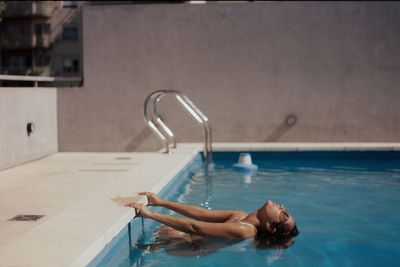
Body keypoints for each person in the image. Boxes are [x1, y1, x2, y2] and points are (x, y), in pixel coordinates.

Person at [125, 192, 299, 243]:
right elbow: (202, 214)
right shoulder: (241, 216)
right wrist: (161, 203)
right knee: (167, 232)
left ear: (270, 226)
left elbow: (196, 227)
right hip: (183, 239)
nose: (282, 207)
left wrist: (151, 215)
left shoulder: (244, 230)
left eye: (284, 215)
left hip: (187, 249)